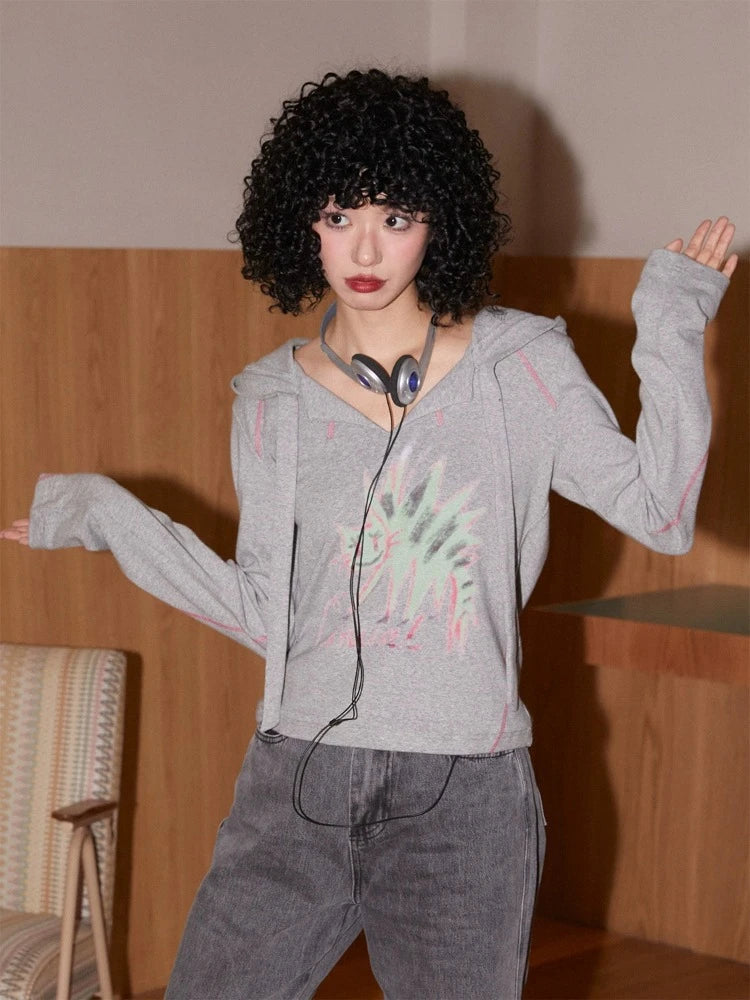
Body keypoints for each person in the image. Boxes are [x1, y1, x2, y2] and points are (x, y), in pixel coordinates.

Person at [1, 69, 737, 999]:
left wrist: (669, 327)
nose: (363, 247)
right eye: (339, 214)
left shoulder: (520, 367)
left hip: (464, 799)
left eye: (395, 218)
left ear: (440, 223)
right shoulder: (270, 401)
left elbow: (662, 514)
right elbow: (267, 612)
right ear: (301, 222)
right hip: (296, 781)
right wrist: (109, 515)